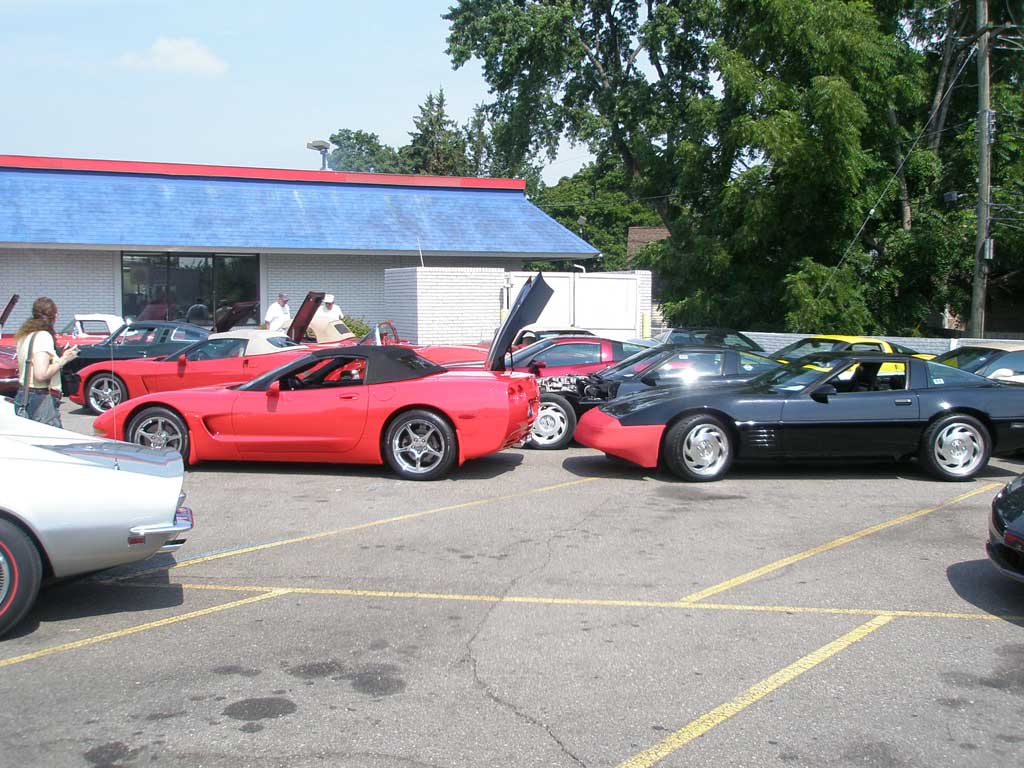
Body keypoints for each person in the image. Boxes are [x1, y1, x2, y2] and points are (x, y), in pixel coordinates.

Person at [14, 297, 79, 428]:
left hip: (26, 395)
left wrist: (58, 354)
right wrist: (64, 359)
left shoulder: (25, 336)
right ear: (55, 315)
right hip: (41, 399)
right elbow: (41, 374)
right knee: (51, 444)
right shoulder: (43, 336)